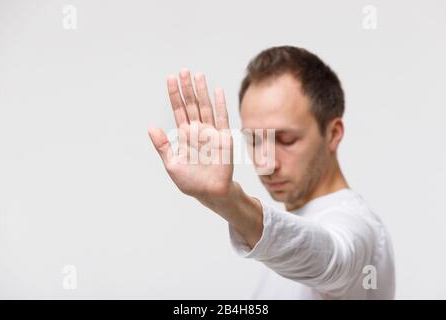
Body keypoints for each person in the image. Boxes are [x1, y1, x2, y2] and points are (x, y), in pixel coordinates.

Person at [148, 45, 395, 299]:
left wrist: (229, 201)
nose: (266, 164)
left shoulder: (356, 225)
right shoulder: (294, 224)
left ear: (333, 134)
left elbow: (334, 260)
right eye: (255, 140)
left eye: (286, 140)